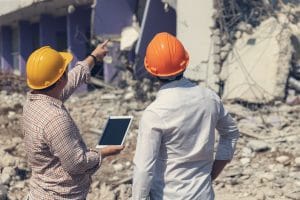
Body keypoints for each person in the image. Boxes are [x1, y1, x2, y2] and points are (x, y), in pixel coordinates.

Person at [132, 32, 240, 200]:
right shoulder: (209, 98)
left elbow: (143, 169)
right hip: (203, 194)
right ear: (185, 63)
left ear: (152, 71)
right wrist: (212, 175)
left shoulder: (155, 113)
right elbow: (231, 133)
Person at [22, 41, 124, 200]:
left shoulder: (33, 102)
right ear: (60, 80)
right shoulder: (56, 119)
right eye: (65, 71)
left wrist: (93, 57)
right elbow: (77, 164)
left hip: (39, 193)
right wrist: (104, 153)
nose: (68, 74)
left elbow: (71, 81)